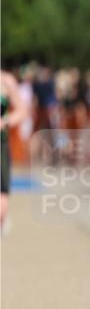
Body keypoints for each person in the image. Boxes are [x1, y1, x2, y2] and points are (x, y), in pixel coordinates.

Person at [1, 68, 30, 232]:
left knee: (2, 204)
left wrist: (5, 121)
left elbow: (22, 111)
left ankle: (3, 217)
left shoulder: (6, 81)